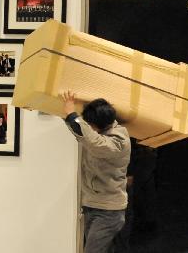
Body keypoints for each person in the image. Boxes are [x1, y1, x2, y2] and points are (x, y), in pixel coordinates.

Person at [60, 91, 130, 253]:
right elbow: (82, 134)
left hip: (109, 211)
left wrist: (72, 114)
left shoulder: (118, 140)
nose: (87, 126)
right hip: (92, 204)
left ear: (99, 124)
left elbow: (93, 141)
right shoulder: (97, 132)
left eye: (89, 123)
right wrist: (66, 114)